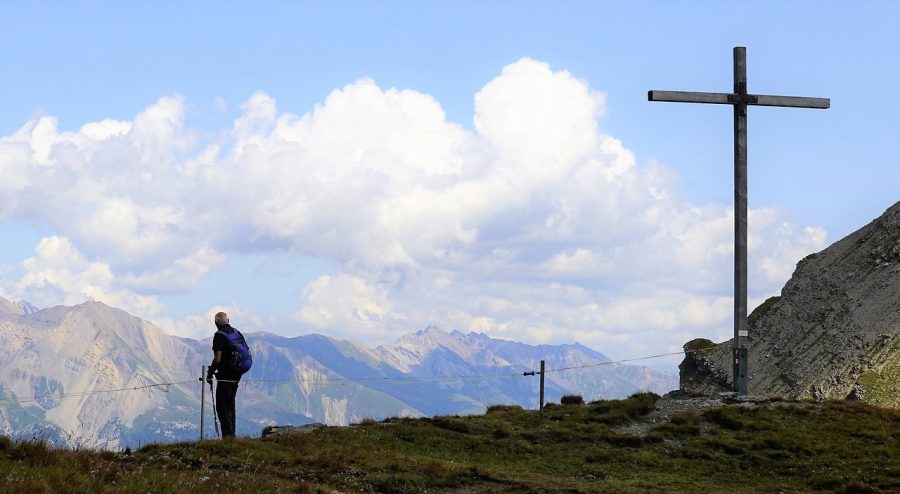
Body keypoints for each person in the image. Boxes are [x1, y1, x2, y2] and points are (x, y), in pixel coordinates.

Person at [206, 312, 242, 438]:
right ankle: (232, 434)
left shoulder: (219, 335)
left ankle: (228, 436)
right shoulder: (236, 333)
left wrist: (210, 373)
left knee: (222, 406)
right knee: (230, 403)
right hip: (237, 374)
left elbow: (217, 359)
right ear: (228, 320)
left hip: (225, 375)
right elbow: (247, 352)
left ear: (216, 324)